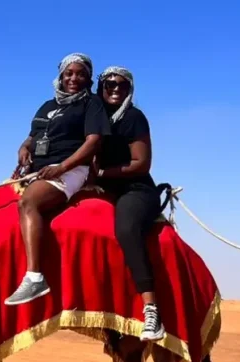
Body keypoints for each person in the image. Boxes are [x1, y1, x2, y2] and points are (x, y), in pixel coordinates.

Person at [4, 53, 111, 306]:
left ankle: (34, 277)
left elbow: (93, 141)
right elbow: (33, 136)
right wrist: (24, 147)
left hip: (71, 170)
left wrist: (62, 167)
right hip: (38, 169)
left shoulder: (92, 104)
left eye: (81, 74)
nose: (74, 78)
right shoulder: (47, 106)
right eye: (69, 73)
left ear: (88, 78)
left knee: (29, 203)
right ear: (61, 76)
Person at [94, 66, 165, 341]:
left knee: (125, 229)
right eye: (109, 84)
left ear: (129, 90)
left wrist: (101, 174)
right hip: (100, 187)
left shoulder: (134, 118)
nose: (114, 89)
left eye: (121, 85)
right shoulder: (93, 117)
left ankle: (151, 310)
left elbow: (140, 163)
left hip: (133, 188)